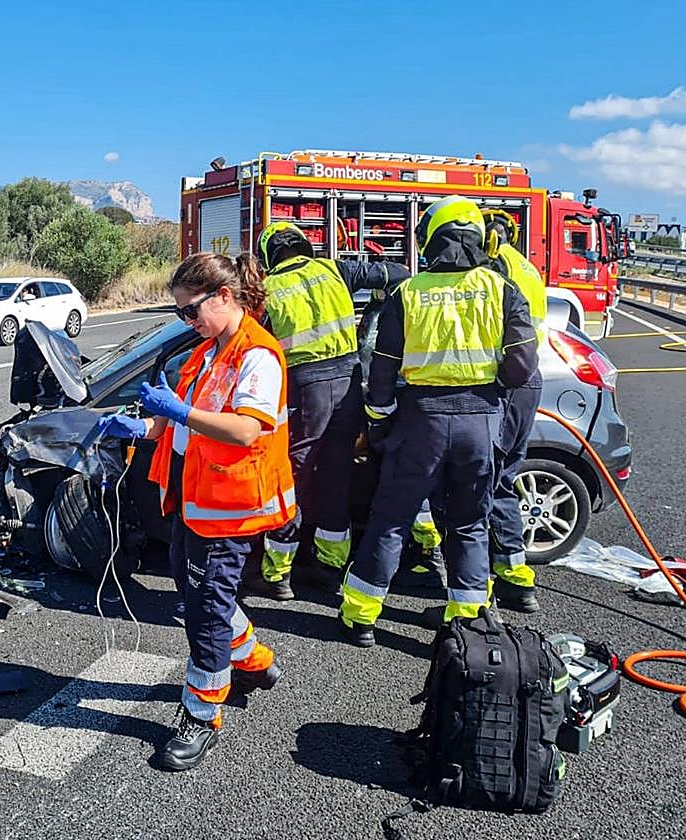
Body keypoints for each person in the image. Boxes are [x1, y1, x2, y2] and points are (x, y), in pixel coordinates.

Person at [97, 251, 294, 770]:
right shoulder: (208, 351)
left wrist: (179, 410)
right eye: (181, 313)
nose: (187, 322)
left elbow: (247, 428)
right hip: (192, 497)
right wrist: (142, 428)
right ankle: (253, 661)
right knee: (198, 592)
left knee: (205, 611)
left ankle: (202, 713)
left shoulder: (258, 356)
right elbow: (179, 424)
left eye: (191, 310)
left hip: (227, 507)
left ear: (225, 297)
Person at [338, 196, 538, 647]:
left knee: (391, 518)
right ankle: (466, 621)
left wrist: (379, 422)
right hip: (479, 421)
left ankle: (360, 616)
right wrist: (488, 393)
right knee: (469, 522)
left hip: (420, 421)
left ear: (430, 238)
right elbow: (522, 364)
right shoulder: (502, 288)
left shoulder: (408, 292)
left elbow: (383, 369)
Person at [248, 221, 411, 601]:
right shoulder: (335, 270)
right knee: (337, 475)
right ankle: (330, 568)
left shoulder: (269, 290)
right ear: (305, 244)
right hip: (349, 382)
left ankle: (278, 574)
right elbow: (399, 274)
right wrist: (377, 308)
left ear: (269, 256)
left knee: (293, 478)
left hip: (306, 388)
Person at [483, 209, 547, 613]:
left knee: (485, 480)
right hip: (528, 380)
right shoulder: (528, 267)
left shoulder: (497, 270)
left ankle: (480, 596)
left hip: (507, 384)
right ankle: (515, 578)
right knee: (503, 476)